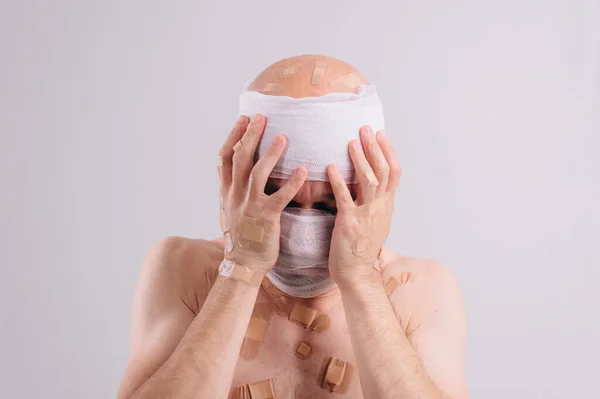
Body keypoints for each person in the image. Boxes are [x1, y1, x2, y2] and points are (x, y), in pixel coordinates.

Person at [117, 54, 469, 399]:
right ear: (237, 183)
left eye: (332, 204)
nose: (303, 228)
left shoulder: (419, 289)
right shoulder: (184, 269)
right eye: (280, 197)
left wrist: (361, 276)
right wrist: (242, 267)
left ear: (374, 195)